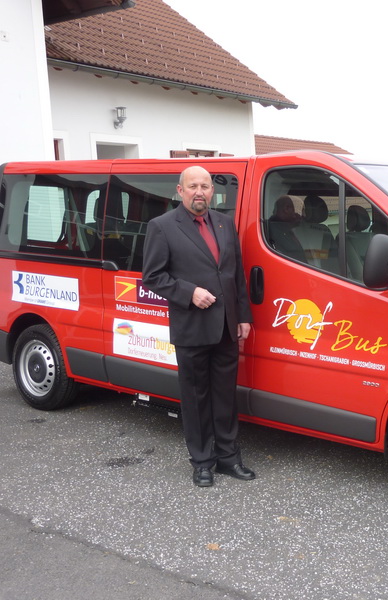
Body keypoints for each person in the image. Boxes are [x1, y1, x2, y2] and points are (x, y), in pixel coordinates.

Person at [142, 166, 254, 487]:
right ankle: (203, 462)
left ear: (212, 191)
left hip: (225, 328)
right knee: (195, 398)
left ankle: (229, 458)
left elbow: (236, 275)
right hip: (192, 329)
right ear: (180, 191)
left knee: (225, 397)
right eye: (193, 186)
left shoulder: (223, 223)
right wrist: (189, 292)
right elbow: (153, 277)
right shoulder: (163, 227)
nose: (200, 191)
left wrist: (243, 316)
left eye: (205, 186)